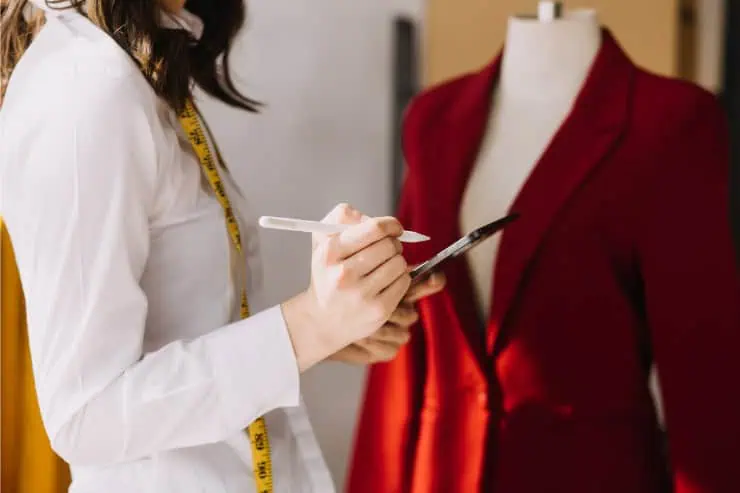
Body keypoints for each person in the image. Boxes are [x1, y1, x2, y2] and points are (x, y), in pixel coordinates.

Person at [0, 1, 445, 492]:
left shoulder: (138, 67)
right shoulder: (85, 90)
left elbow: (179, 323)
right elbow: (87, 415)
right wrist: (307, 327)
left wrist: (327, 328)